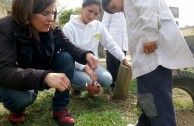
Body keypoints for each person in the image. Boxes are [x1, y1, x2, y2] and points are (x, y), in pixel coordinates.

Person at [0, 0, 98, 125]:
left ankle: (60, 108)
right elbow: (4, 70)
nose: (51, 18)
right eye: (46, 13)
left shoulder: (52, 26)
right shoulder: (6, 27)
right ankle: (16, 109)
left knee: (66, 57)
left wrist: (85, 54)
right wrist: (43, 76)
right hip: (20, 75)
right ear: (26, 11)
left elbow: (67, 45)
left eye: (53, 12)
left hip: (40, 68)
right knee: (21, 99)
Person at [101, 0, 194, 126]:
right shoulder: (127, 8)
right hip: (145, 62)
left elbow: (149, 4)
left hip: (153, 59)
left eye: (113, 7)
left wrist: (150, 35)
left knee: (157, 103)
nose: (117, 11)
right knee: (148, 99)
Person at [62, 0, 130, 97]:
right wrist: (84, 67)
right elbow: (67, 54)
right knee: (87, 81)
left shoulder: (98, 26)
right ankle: (76, 88)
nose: (91, 16)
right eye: (90, 11)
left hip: (92, 65)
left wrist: (123, 59)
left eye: (95, 14)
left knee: (108, 80)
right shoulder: (69, 27)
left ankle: (89, 86)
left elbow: (110, 43)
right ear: (82, 7)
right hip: (74, 65)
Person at [101, 11, 128, 91]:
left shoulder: (127, 8)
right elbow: (104, 25)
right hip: (112, 41)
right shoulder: (110, 7)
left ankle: (119, 84)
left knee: (121, 65)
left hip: (124, 42)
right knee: (112, 65)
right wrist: (106, 40)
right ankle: (111, 84)